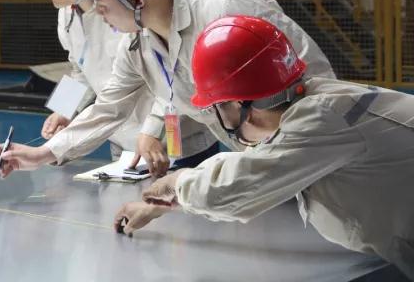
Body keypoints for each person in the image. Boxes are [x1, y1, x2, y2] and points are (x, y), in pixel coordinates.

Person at [0, 0, 334, 178]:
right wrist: (59, 120)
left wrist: (151, 130)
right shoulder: (91, 25)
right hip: (130, 144)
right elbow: (85, 79)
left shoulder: (227, 7)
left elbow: (315, 78)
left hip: (194, 140)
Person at [113, 15, 414, 279]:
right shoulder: (316, 103)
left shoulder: (319, 119)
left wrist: (177, 181)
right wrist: (164, 204)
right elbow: (259, 167)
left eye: (218, 107)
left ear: (237, 105)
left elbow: (234, 188)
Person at [24, 0, 171, 159]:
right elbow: (80, 70)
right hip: (120, 140)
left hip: (166, 141)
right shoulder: (67, 16)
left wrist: (153, 131)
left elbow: (169, 78)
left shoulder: (126, 9)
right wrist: (64, 109)